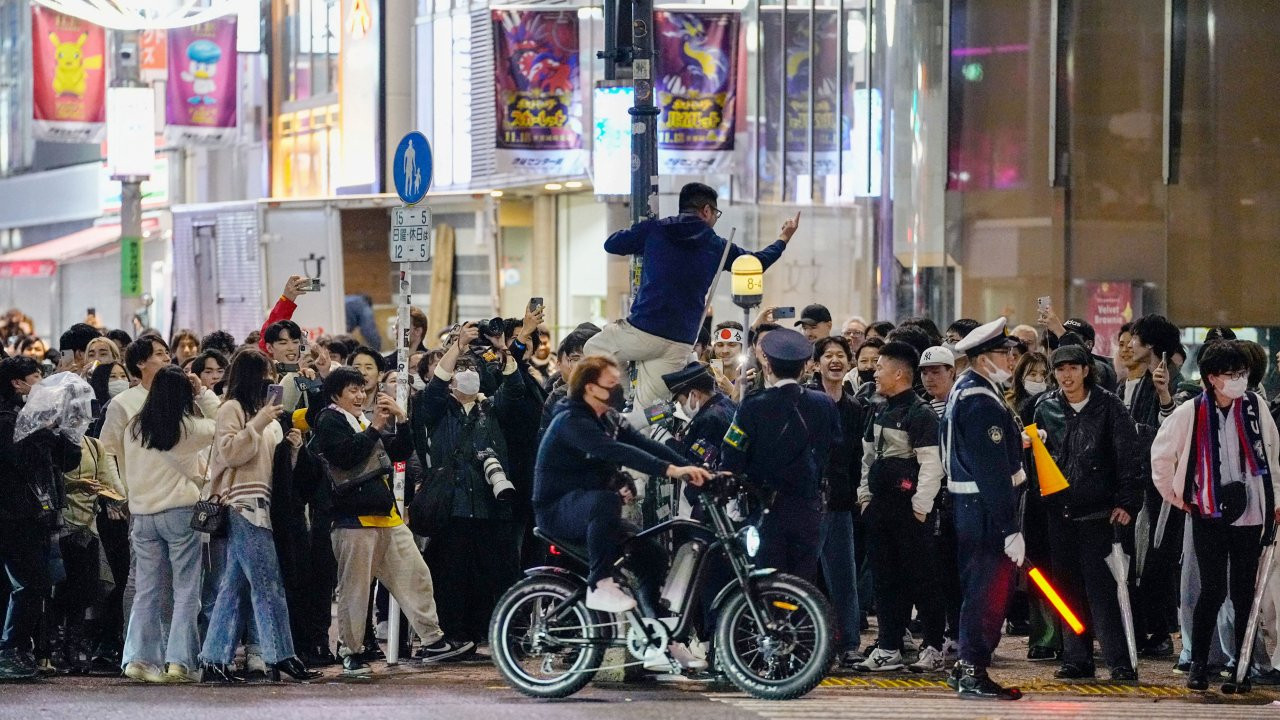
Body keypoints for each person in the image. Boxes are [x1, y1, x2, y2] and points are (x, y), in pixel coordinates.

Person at [309, 367, 470, 677]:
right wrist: (375, 429)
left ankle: (433, 640)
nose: (359, 395)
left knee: (415, 574)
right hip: (352, 519)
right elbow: (345, 456)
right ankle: (351, 653)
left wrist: (403, 420)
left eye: (362, 389)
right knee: (355, 590)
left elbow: (399, 452)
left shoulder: (362, 421)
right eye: (352, 390)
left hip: (386, 517)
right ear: (335, 395)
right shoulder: (329, 420)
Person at [587, 182, 799, 406]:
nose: (715, 219)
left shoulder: (656, 230)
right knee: (649, 412)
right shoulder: (716, 245)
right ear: (706, 211)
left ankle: (616, 400)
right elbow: (757, 263)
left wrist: (642, 233)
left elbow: (612, 244)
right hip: (681, 341)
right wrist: (784, 237)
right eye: (716, 214)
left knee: (593, 348)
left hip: (643, 330)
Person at [534, 354, 710, 613]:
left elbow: (643, 444)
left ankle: (659, 636)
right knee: (606, 500)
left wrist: (694, 469)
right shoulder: (571, 421)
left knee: (653, 555)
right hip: (557, 511)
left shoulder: (608, 418)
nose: (617, 388)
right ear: (591, 388)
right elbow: (617, 451)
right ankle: (599, 584)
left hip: (592, 511)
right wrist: (672, 470)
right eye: (611, 383)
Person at [1152, 340, 1280, 693]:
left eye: (1243, 373)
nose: (1239, 380)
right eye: (1231, 374)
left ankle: (1242, 667)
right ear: (1211, 378)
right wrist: (1180, 499)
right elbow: (1161, 459)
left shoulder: (1255, 408)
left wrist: (1275, 501)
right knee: (1211, 589)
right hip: (1207, 511)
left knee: (1243, 592)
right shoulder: (1190, 412)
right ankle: (1199, 664)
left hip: (1250, 512)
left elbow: (1272, 455)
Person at [198, 349, 320, 683]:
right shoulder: (232, 409)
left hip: (266, 504)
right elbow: (230, 453)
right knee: (268, 582)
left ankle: (212, 658)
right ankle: (282, 654)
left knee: (234, 587)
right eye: (265, 373)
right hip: (242, 503)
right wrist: (261, 421)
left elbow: (272, 461)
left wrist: (292, 446)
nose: (270, 379)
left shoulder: (264, 414)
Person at [1032, 345, 1143, 682]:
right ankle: (1076, 658)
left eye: (1072, 368)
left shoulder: (1109, 406)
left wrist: (1127, 501)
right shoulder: (1045, 407)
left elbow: (1129, 456)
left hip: (1100, 514)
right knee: (1066, 591)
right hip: (1059, 513)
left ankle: (1119, 660)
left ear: (1085, 370)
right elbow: (1037, 457)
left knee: (1105, 590)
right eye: (1060, 369)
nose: (1066, 375)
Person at [414, 323, 523, 648]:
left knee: (493, 575)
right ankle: (455, 635)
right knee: (451, 575)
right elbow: (435, 388)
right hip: (454, 507)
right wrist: (457, 348)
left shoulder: (491, 409)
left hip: (492, 505)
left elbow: (514, 389)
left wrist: (506, 351)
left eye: (472, 367)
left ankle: (496, 633)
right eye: (461, 369)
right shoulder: (437, 410)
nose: (467, 372)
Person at [939, 317, 1025, 700]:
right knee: (988, 592)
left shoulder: (967, 390)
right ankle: (973, 667)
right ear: (981, 358)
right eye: (1003, 353)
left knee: (978, 588)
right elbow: (991, 471)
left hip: (970, 505)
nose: (1011, 360)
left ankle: (966, 665)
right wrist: (1009, 527)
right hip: (985, 508)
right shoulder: (982, 402)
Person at [118, 366, 219, 683]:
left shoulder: (133, 428)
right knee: (186, 589)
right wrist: (203, 392)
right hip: (179, 514)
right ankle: (180, 663)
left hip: (142, 517)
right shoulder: (188, 427)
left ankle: (139, 659)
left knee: (146, 591)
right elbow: (221, 425)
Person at [720, 329, 840, 582]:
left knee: (767, 581)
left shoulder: (752, 405)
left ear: (769, 366)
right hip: (809, 507)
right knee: (804, 581)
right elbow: (833, 447)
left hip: (767, 508)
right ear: (804, 367)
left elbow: (732, 452)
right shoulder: (824, 404)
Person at [856, 341, 946, 674]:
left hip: (910, 513)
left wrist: (921, 508)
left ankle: (934, 647)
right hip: (879, 510)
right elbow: (867, 457)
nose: (874, 373)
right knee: (884, 581)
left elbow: (932, 464)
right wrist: (865, 496)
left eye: (879, 367)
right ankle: (889, 648)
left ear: (898, 373)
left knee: (922, 579)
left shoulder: (920, 413)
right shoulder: (878, 408)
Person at [0, 357, 82, 680]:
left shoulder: (35, 419)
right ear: (17, 384)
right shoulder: (8, 420)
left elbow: (69, 459)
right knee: (29, 583)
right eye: (36, 377)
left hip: (38, 515)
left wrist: (60, 428)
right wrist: (40, 429)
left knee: (35, 583)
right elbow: (20, 460)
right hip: (13, 516)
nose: (43, 383)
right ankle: (10, 650)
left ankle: (17, 649)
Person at [1123, 313, 1184, 659]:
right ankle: (1148, 628)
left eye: (1135, 338)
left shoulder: (1172, 381)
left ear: (1151, 344)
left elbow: (1172, 429)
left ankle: (1160, 631)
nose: (1130, 344)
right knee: (1141, 558)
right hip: (1143, 483)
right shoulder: (1142, 381)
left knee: (1158, 557)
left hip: (1164, 488)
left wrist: (1165, 396)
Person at [809, 337, 866, 668]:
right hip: (809, 501)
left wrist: (858, 493)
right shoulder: (807, 401)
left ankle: (849, 644)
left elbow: (859, 455)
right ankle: (811, 642)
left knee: (844, 577)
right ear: (816, 364)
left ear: (850, 362)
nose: (834, 361)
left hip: (842, 502)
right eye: (827, 356)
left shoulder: (855, 408)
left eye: (840, 356)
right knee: (805, 576)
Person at [662, 361, 737, 467]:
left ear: (694, 394)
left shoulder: (709, 420)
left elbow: (694, 463)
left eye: (681, 402)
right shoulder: (726, 402)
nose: (682, 407)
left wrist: (667, 441)